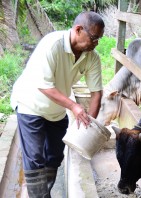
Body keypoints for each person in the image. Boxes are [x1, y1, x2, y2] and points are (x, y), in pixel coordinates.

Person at [10, 11, 105, 197]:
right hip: (30, 105)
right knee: (35, 160)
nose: (96, 43)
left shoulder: (92, 57)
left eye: (99, 39)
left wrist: (89, 125)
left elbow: (96, 94)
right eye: (94, 38)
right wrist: (74, 106)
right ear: (78, 30)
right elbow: (44, 87)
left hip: (56, 111)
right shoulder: (52, 45)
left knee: (54, 157)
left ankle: (43, 193)